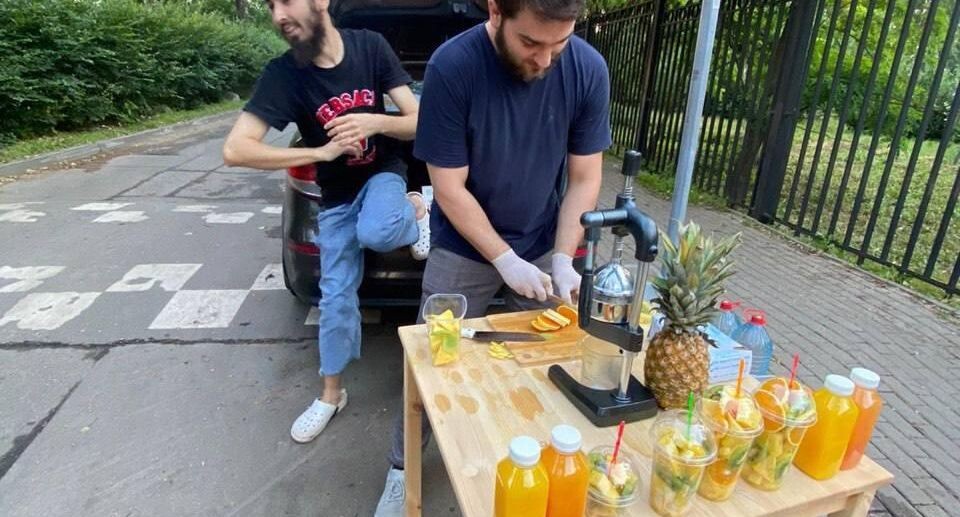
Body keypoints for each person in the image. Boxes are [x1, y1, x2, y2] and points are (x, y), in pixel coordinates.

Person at [374, 0, 611, 513]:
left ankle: (527, 465)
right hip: (464, 248)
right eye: (531, 43)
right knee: (432, 368)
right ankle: (401, 470)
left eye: (559, 44)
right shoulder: (453, 66)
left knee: (545, 365)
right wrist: (503, 259)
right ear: (496, 10)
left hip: (546, 241)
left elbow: (586, 177)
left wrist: (563, 259)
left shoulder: (588, 68)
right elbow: (449, 186)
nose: (546, 59)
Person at [222, 0, 430, 444]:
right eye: (270, 5)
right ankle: (331, 394)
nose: (278, 14)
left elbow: (418, 121)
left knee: (376, 230)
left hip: (382, 174)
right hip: (335, 195)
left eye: (286, 1)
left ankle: (416, 206)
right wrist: (319, 153)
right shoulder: (284, 74)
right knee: (334, 296)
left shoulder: (370, 48)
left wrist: (375, 122)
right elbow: (236, 149)